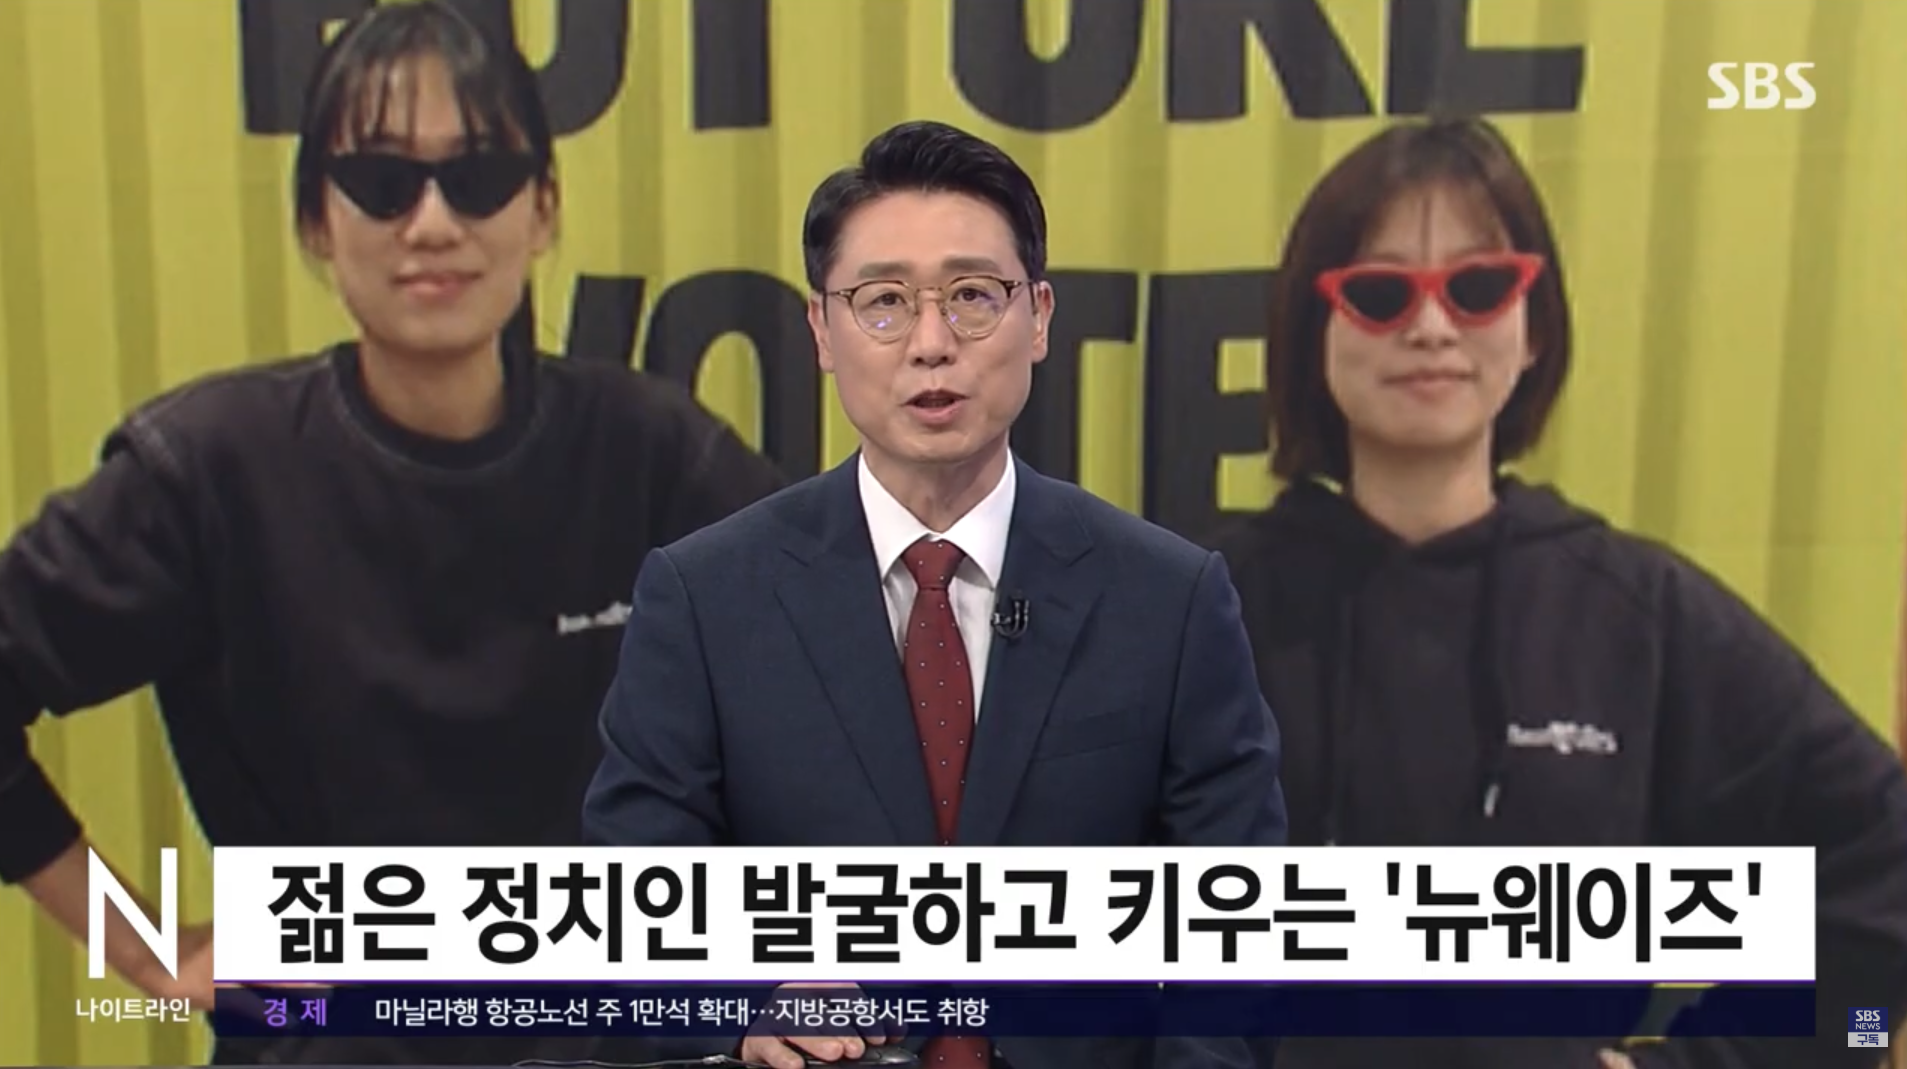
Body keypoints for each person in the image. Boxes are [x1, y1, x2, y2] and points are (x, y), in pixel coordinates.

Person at [0, 1, 784, 1063]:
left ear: (541, 209)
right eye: (380, 180)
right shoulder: (208, 473)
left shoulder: (649, 454)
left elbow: (850, 662)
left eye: (477, 176)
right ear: (317, 221)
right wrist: (145, 947)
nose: (431, 223)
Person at [1205, 114, 1907, 1068]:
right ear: (1311, 331)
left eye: (1477, 287)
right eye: (1378, 292)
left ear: (1532, 327)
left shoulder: (1636, 615)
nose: (1430, 326)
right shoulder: (1198, 614)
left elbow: (1880, 859)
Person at [583, 119, 1287, 1069]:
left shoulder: (1168, 598)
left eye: (971, 298)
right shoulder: (706, 599)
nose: (930, 343)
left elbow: (1236, 932)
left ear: (1039, 317)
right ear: (821, 331)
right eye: (882, 302)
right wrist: (741, 1005)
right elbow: (629, 911)